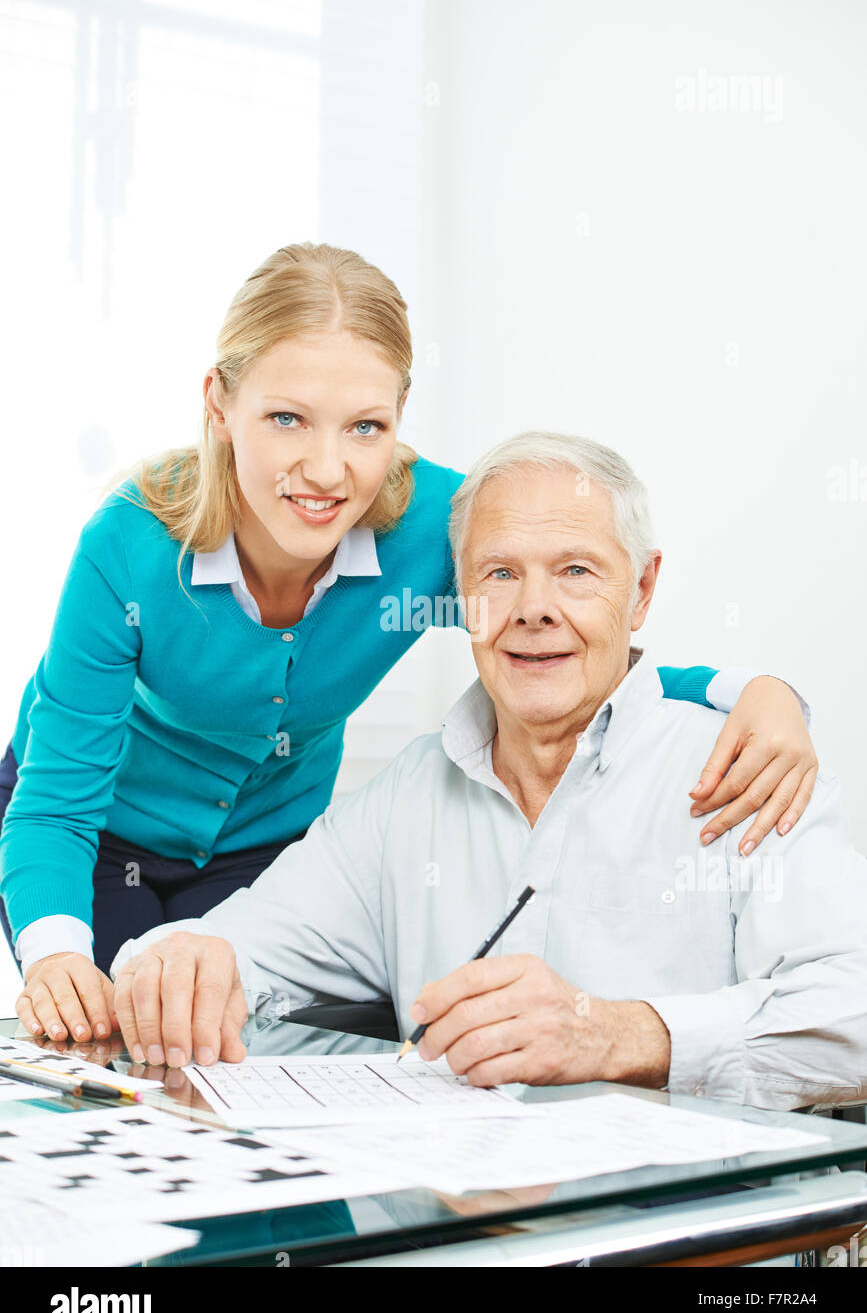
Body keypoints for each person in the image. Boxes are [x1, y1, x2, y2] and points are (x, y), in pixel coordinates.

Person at [1, 244, 816, 1048]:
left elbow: (557, 637)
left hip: (260, 842)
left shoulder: (433, 529)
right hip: (94, 832)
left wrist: (749, 689)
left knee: (229, 1045)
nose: (327, 471)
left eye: (366, 427)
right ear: (218, 404)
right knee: (123, 1040)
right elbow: (53, 801)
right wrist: (53, 958)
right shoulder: (129, 545)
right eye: (286, 417)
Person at [108, 433, 867, 1111]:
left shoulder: (747, 767)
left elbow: (854, 1011)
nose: (533, 609)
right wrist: (177, 961)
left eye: (574, 571)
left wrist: (624, 1035)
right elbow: (231, 950)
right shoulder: (409, 794)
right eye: (499, 573)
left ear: (639, 590)